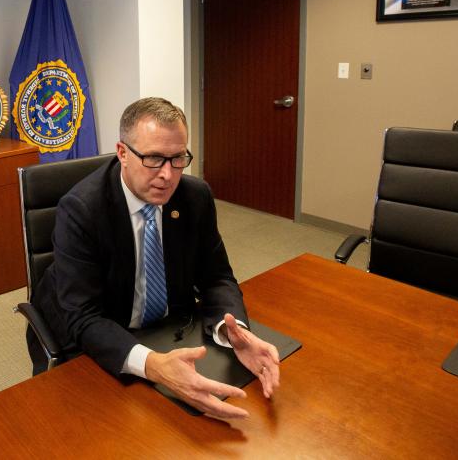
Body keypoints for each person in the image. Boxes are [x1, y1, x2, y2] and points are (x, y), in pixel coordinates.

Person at [30, 97, 280, 419]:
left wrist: (235, 331)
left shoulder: (194, 196)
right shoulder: (81, 210)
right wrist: (153, 365)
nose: (168, 175)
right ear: (122, 153)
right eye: (154, 158)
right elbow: (83, 316)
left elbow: (216, 276)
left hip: (167, 329)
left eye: (178, 159)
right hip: (98, 333)